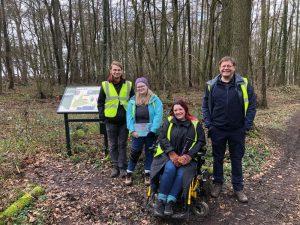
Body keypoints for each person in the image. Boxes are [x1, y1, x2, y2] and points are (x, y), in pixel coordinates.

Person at [202, 56, 256, 203]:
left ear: (234, 67)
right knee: (217, 158)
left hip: (237, 130)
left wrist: (247, 125)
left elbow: (252, 105)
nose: (226, 68)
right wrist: (209, 124)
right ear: (219, 68)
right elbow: (205, 106)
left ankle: (238, 188)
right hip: (217, 129)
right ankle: (217, 184)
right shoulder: (211, 85)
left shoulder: (243, 84)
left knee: (236, 159)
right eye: (223, 66)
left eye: (229, 66)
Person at [150, 99, 206, 217]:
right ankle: (161, 201)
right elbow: (162, 137)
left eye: (180, 109)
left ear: (185, 110)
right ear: (173, 111)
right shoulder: (169, 121)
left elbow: (201, 141)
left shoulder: (195, 124)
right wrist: (172, 154)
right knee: (170, 169)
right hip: (168, 156)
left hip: (188, 158)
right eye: (175, 110)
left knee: (181, 173)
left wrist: (189, 155)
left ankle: (170, 201)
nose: (178, 112)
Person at [97, 61, 134, 178]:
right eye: (114, 70)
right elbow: (100, 102)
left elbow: (133, 101)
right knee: (113, 145)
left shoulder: (128, 84)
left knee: (122, 144)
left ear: (122, 71)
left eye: (119, 70)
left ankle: (123, 167)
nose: (117, 72)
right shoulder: (105, 85)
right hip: (110, 120)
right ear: (111, 71)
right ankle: (115, 166)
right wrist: (102, 116)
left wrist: (132, 116)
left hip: (124, 120)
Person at [125, 77, 163, 186]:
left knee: (149, 152)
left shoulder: (155, 100)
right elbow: (129, 117)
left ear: (147, 86)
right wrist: (132, 130)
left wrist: (153, 130)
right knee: (135, 152)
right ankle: (129, 172)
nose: (140, 88)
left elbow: (158, 116)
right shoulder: (132, 100)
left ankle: (147, 173)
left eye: (142, 86)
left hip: (151, 133)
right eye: (138, 87)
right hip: (137, 133)